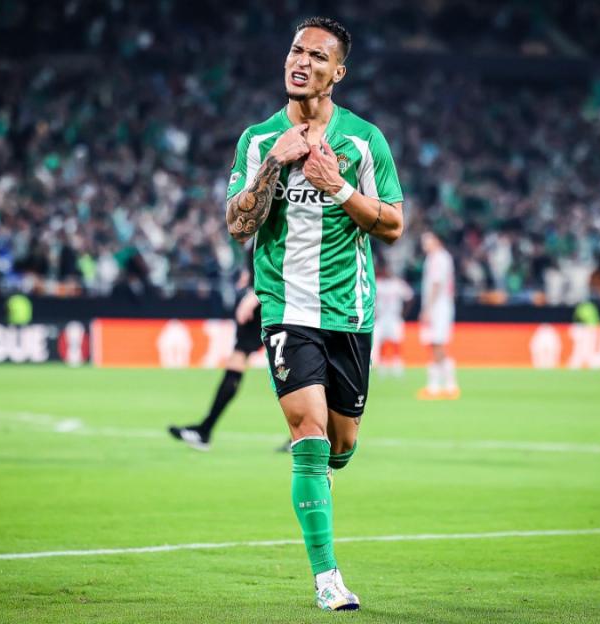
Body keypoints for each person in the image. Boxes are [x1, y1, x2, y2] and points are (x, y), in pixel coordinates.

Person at [224, 16, 404, 612]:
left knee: (339, 446)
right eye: (295, 50)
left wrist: (338, 188)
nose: (301, 61)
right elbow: (237, 224)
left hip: (349, 312)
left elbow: (395, 226)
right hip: (285, 307)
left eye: (317, 56)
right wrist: (274, 165)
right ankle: (328, 579)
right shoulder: (257, 139)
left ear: (338, 72)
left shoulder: (363, 142)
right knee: (307, 434)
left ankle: (323, 479)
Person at [168, 248, 262, 450]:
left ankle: (205, 430)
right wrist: (250, 275)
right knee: (283, 365)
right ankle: (205, 430)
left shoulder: (271, 219)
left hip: (270, 299)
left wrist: (255, 294)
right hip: (272, 296)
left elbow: (280, 254)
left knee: (286, 365)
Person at [417, 231, 460, 400]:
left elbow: (436, 283)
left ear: (436, 240)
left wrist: (428, 308)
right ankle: (447, 385)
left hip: (439, 307)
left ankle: (439, 385)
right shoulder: (436, 258)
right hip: (440, 305)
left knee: (437, 344)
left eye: (427, 240)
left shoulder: (439, 258)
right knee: (434, 344)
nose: (424, 244)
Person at [373, 262, 413, 376]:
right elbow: (371, 298)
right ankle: (383, 364)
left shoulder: (398, 284)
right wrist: (374, 312)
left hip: (394, 317)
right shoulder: (378, 283)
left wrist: (404, 314)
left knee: (396, 341)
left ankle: (397, 363)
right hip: (381, 317)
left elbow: (410, 297)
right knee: (381, 341)